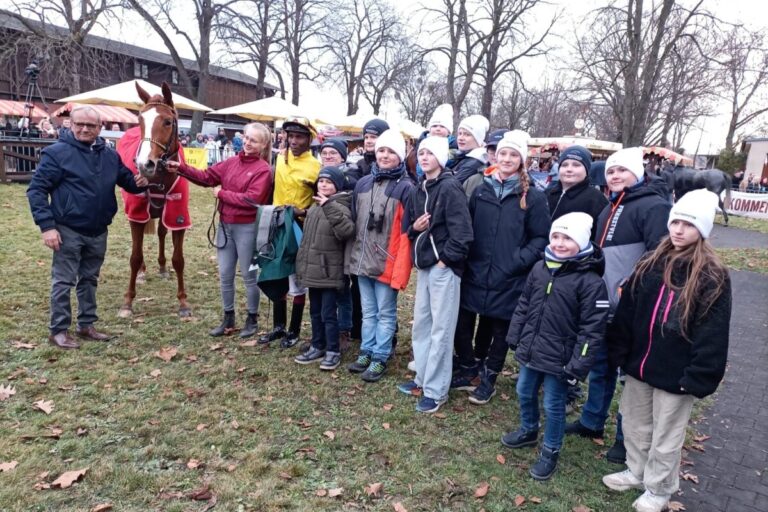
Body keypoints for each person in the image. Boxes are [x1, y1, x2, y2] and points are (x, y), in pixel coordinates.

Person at [602, 189, 730, 512]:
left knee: (666, 434)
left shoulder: (711, 275)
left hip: (676, 372)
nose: (678, 230)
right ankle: (637, 469)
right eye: (675, 222)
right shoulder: (651, 262)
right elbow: (628, 309)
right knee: (634, 422)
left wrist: (700, 374)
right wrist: (620, 349)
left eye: (688, 225)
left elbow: (713, 331)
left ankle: (659, 488)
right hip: (640, 364)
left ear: (701, 230)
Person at [565, 147, 672, 464]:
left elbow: (659, 254)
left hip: (632, 307)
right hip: (603, 305)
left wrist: (632, 285)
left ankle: (627, 439)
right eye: (611, 172)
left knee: (630, 377)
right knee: (600, 367)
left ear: (637, 173)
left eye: (622, 171)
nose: (614, 176)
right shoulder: (608, 208)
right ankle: (591, 421)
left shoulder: (653, 207)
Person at [26, 106, 148, 349]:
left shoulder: (109, 155)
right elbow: (37, 190)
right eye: (79, 124)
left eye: (90, 125)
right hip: (67, 228)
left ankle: (86, 324)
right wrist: (47, 226)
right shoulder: (57, 154)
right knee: (63, 281)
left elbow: (126, 180)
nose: (84, 129)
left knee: (90, 279)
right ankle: (58, 329)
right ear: (70, 124)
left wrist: (140, 183)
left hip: (98, 229)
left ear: (99, 128)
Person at [501, 212, 609, 480]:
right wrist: (515, 334)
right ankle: (528, 429)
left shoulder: (591, 282)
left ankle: (550, 449)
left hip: (562, 358)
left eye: (568, 238)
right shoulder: (540, 268)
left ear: (582, 242)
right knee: (524, 390)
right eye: (556, 237)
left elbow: (592, 330)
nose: (560, 243)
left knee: (552, 403)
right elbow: (524, 303)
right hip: (533, 349)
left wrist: (578, 364)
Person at [452, 130, 551, 404]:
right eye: (503, 153)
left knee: (499, 330)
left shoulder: (533, 196)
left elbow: (541, 238)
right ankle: (469, 367)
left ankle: (489, 377)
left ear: (522, 159)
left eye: (513, 154)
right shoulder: (483, 189)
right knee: (464, 322)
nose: (506, 158)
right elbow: (467, 225)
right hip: (476, 269)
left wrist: (518, 260)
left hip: (510, 275)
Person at [166, 122, 273, 339]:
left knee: (249, 276)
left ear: (263, 145)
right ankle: (228, 317)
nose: (247, 142)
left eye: (253, 140)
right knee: (225, 274)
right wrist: (180, 168)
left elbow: (252, 199)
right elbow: (206, 177)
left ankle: (252, 318)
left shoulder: (263, 170)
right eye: (246, 137)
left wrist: (221, 194)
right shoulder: (231, 162)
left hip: (247, 228)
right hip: (225, 226)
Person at [397, 136, 473, 413]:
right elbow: (412, 230)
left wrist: (445, 260)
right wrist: (415, 228)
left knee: (441, 329)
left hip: (443, 268)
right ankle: (422, 378)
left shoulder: (451, 188)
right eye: (422, 153)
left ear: (441, 158)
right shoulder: (421, 188)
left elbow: (463, 233)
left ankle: (436, 390)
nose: (425, 157)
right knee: (423, 325)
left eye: (430, 153)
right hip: (426, 266)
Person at [347, 129, 414, 382]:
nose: (385, 156)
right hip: (363, 260)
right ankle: (366, 349)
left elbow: (406, 231)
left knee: (386, 312)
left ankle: (380, 355)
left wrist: (401, 265)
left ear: (400, 156)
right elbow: (355, 218)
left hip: (387, 261)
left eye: (391, 152)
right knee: (368, 311)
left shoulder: (406, 188)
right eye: (382, 150)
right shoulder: (363, 184)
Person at [259, 116, 321, 348]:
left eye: (299, 137)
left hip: (299, 227)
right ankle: (278, 326)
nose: (293, 141)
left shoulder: (316, 167)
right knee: (277, 273)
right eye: (290, 136)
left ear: (309, 139)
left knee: (296, 280)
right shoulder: (280, 158)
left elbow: (320, 200)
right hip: (276, 224)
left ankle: (294, 329)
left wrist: (303, 212)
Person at [294, 166, 355, 370]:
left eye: (329, 182)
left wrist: (329, 206)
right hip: (313, 271)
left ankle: (333, 350)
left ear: (337, 186)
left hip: (329, 272)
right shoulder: (314, 207)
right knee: (315, 311)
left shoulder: (340, 206)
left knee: (329, 313)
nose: (324, 185)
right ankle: (317, 345)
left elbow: (346, 231)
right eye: (321, 181)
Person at [318, 137, 359, 351]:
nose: (327, 156)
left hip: (342, 239)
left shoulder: (350, 177)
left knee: (342, 288)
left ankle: (344, 329)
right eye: (324, 152)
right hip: (323, 240)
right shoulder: (321, 177)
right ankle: (328, 328)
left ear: (342, 155)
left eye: (332, 153)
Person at [546, 146, 608, 240]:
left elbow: (600, 236)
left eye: (576, 165)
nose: (569, 169)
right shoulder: (547, 194)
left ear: (587, 170)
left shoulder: (596, 199)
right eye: (564, 165)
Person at [447, 115, 489, 184]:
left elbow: (450, 186)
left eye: (467, 134)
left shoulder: (474, 163)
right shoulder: (462, 157)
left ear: (478, 139)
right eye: (460, 133)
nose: (461, 138)